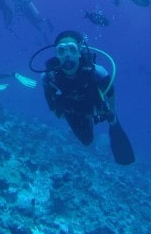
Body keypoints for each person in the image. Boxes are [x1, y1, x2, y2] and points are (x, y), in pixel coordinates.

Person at [39, 30, 135, 165]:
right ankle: (88, 124)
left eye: (72, 50)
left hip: (93, 107)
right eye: (61, 51)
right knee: (86, 141)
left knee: (109, 123)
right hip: (71, 110)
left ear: (79, 52)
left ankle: (107, 129)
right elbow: (48, 94)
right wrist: (55, 109)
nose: (67, 55)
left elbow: (110, 92)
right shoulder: (49, 76)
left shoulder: (97, 72)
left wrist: (112, 115)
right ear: (56, 54)